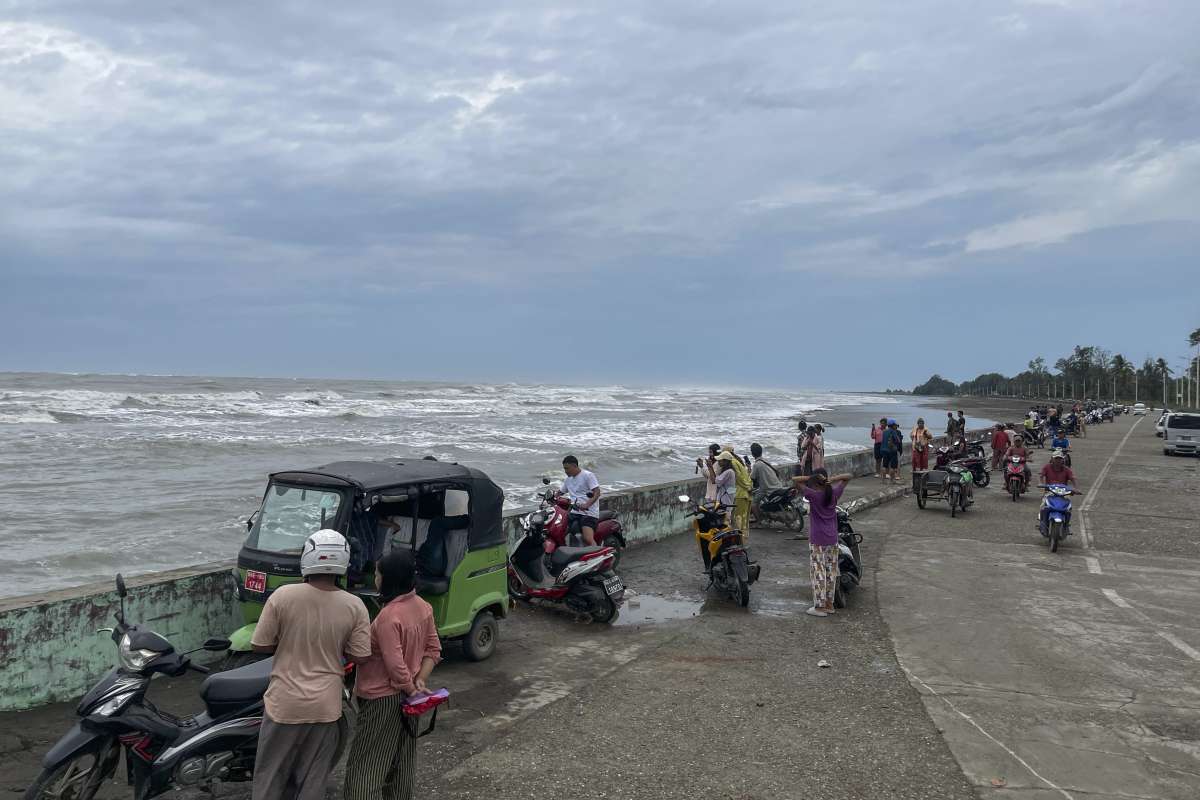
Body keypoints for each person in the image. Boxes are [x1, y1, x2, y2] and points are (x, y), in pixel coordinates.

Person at [250, 530, 372, 800]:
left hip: (284, 703)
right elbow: (361, 656)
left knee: (270, 776)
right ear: (343, 563)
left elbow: (259, 645)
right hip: (325, 706)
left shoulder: (282, 596)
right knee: (313, 779)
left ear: (307, 557)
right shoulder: (355, 605)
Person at [344, 550, 441, 800]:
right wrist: (419, 682)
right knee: (402, 762)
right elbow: (433, 649)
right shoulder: (423, 606)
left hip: (382, 699)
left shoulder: (389, 616)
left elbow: (395, 664)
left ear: (389, 579)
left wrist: (409, 687)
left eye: (377, 573)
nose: (375, 577)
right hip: (410, 698)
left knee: (366, 766)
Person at [791, 468, 852, 617]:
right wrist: (834, 477)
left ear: (815, 484)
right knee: (831, 572)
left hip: (818, 539)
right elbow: (848, 476)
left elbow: (794, 480)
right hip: (832, 538)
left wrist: (812, 477)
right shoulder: (834, 494)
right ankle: (829, 604)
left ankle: (819, 607)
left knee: (818, 572)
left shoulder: (814, 495)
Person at [560, 455, 601, 545]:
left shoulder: (588, 475)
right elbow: (560, 492)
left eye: (567, 468)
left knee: (587, 538)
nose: (565, 471)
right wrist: (549, 496)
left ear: (575, 466)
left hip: (588, 513)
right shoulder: (568, 480)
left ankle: (598, 556)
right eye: (564, 469)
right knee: (559, 531)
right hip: (574, 512)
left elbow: (597, 492)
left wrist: (587, 505)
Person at [723, 444, 754, 534]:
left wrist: (747, 487)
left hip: (740, 493)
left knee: (739, 518)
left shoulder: (732, 462)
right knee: (744, 519)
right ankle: (744, 538)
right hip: (745, 493)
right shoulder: (738, 461)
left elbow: (739, 477)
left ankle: (741, 539)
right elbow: (746, 476)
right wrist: (749, 486)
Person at [749, 442, 783, 522]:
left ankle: (759, 522)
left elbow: (752, 478)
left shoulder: (756, 465)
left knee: (753, 504)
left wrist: (748, 468)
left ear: (752, 454)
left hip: (767, 488)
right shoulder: (765, 461)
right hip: (777, 485)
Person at [706, 451, 738, 526]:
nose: (718, 462)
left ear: (725, 461)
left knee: (724, 526)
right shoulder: (730, 471)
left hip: (725, 503)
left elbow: (714, 481)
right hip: (727, 502)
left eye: (720, 460)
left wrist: (710, 467)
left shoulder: (729, 472)